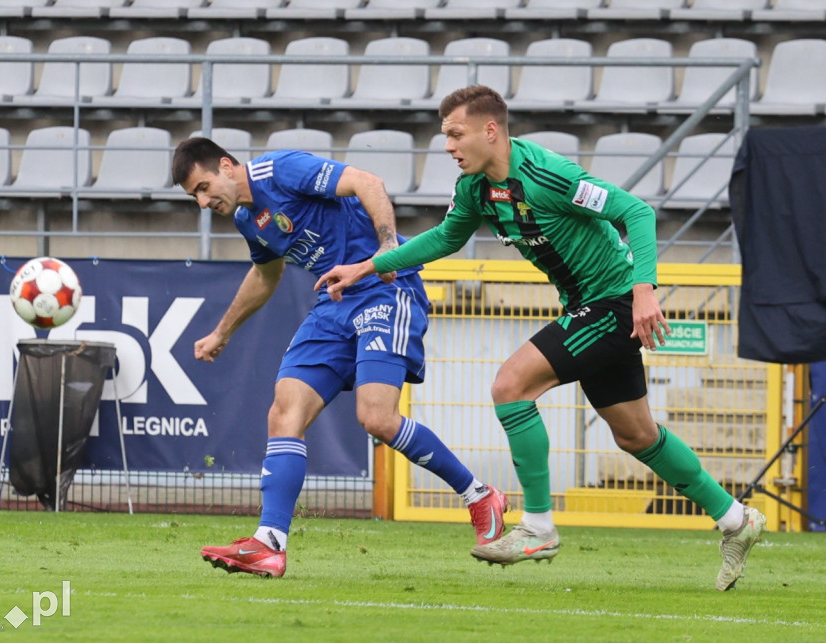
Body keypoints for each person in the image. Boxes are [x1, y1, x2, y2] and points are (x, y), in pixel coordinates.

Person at [316, 85, 766, 591]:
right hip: (588, 309)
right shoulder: (475, 189)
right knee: (636, 434)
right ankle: (736, 520)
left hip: (615, 303)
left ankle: (538, 526)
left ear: (491, 131)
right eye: (445, 136)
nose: (447, 146)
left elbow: (635, 212)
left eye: (455, 134)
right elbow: (445, 238)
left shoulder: (548, 174)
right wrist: (366, 267)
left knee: (511, 386)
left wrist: (645, 291)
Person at [171, 136, 508, 579]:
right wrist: (221, 332)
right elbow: (265, 274)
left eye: (202, 186)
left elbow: (368, 182)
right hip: (332, 303)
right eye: (193, 195)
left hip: (385, 287)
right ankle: (270, 543)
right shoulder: (246, 218)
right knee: (283, 410)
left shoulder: (281, 170)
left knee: (376, 418)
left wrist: (388, 246)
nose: (201, 201)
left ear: (227, 166)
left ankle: (479, 494)